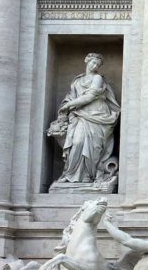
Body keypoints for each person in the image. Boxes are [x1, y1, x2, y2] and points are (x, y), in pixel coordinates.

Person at [50, 53, 120, 185]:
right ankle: (70, 174)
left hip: (97, 114)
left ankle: (88, 176)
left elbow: (89, 97)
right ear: (86, 61)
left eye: (98, 65)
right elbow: (71, 96)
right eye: (93, 62)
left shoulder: (98, 78)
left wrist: (69, 105)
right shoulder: (77, 80)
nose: (95, 66)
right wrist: (67, 105)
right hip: (80, 115)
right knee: (77, 142)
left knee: (93, 147)